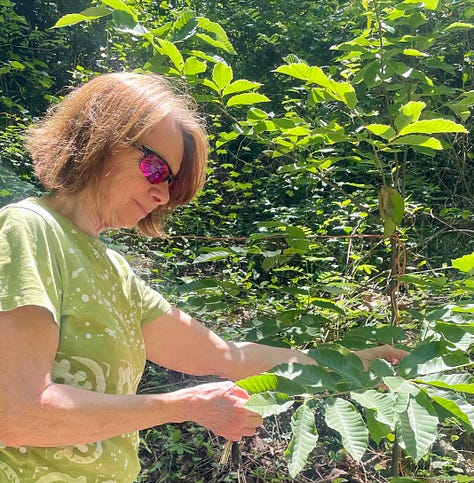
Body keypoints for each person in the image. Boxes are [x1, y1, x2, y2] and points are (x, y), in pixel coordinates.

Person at [0, 72, 407, 482]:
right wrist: (185, 405)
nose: (162, 195)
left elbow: (226, 356)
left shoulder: (114, 270)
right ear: (100, 140)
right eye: (155, 169)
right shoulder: (28, 230)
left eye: (171, 184)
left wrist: (343, 365)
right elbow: (15, 413)